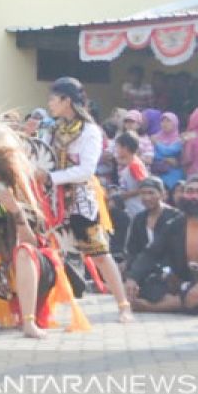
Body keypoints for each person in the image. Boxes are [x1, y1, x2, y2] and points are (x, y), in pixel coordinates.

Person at [0, 121, 88, 337]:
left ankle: (28, 322)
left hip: (40, 266)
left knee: (23, 252)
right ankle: (10, 309)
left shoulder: (28, 190)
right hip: (7, 272)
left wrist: (15, 209)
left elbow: (33, 243)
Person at [36, 77, 134, 322]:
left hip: (80, 197)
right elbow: (41, 157)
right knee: (48, 252)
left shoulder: (90, 130)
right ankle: (45, 306)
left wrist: (50, 177)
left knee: (99, 252)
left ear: (66, 100)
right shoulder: (51, 129)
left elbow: (86, 170)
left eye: (53, 98)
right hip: (51, 198)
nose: (49, 103)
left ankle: (123, 305)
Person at [126, 172, 198, 315]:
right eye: (189, 191)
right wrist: (132, 278)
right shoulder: (174, 225)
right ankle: (180, 303)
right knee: (146, 287)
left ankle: (156, 306)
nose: (194, 197)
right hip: (180, 282)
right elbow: (151, 253)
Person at [122, 177, 178, 272]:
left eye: (151, 193)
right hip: (144, 268)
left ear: (162, 194)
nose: (147, 198)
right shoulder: (138, 219)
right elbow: (132, 249)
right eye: (143, 193)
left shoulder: (175, 216)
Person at [151, 112, 185, 191]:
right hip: (158, 173)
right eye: (162, 121)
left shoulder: (179, 139)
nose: (164, 124)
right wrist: (165, 159)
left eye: (168, 121)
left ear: (175, 123)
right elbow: (153, 155)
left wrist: (157, 144)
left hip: (173, 175)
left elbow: (168, 151)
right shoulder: (156, 137)